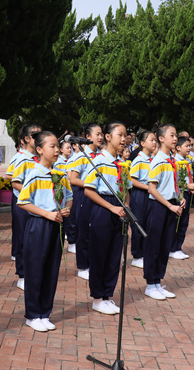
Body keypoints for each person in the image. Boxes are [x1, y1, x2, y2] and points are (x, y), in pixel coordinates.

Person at [18, 131, 72, 329]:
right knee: (35, 269)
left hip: (57, 224)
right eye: (52, 146)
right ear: (39, 149)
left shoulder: (60, 174)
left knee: (51, 269)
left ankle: (44, 312)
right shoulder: (34, 173)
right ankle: (33, 315)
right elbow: (22, 201)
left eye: (58, 146)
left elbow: (69, 196)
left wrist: (67, 209)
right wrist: (47, 214)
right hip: (39, 225)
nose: (57, 150)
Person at [83, 122, 128, 315]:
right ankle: (97, 298)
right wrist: (111, 207)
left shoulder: (122, 164)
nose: (124, 139)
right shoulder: (99, 161)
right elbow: (88, 190)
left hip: (119, 208)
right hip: (104, 208)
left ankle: (107, 295)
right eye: (120, 135)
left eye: (125, 136)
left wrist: (126, 206)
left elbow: (126, 189)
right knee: (100, 254)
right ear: (108, 137)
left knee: (114, 255)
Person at [143, 124, 182, 300]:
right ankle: (150, 284)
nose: (175, 139)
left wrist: (179, 197)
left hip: (170, 204)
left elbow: (172, 184)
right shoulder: (158, 161)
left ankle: (158, 282)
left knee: (165, 245)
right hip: (159, 206)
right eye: (171, 135)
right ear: (161, 138)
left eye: (176, 135)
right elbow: (152, 189)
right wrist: (169, 205)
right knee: (154, 245)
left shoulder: (172, 161)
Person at [66, 123, 104, 281]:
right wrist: (91, 185)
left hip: (98, 195)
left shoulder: (101, 156)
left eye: (101, 134)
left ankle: (93, 263)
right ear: (87, 137)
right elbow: (73, 179)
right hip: (84, 195)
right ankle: (83, 266)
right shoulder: (81, 156)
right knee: (84, 231)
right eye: (97, 134)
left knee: (96, 229)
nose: (100, 137)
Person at [7, 123, 41, 290]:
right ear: (26, 139)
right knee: (23, 238)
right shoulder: (21, 158)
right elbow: (13, 180)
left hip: (36, 203)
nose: (39, 139)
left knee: (34, 239)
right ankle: (22, 275)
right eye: (35, 136)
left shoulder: (39, 159)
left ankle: (33, 272)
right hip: (23, 202)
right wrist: (31, 191)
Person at [129, 130, 157, 268]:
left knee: (148, 224)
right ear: (142, 143)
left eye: (155, 140)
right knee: (138, 224)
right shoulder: (138, 160)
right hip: (140, 195)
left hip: (150, 194)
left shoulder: (153, 160)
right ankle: (137, 255)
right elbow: (132, 180)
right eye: (151, 140)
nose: (154, 142)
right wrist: (148, 188)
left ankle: (145, 252)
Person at [169, 136, 194, 260]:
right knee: (177, 222)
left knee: (184, 222)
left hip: (187, 193)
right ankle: (173, 248)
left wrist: (192, 187)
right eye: (186, 146)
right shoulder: (175, 161)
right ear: (178, 148)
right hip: (179, 194)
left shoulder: (188, 161)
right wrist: (186, 186)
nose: (189, 148)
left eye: (190, 146)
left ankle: (178, 247)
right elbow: (174, 180)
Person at [56, 140, 76, 252]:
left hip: (69, 191)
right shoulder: (58, 162)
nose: (69, 150)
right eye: (67, 148)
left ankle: (71, 240)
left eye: (70, 148)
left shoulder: (71, 160)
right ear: (61, 149)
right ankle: (70, 241)